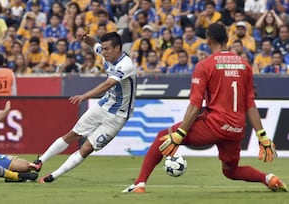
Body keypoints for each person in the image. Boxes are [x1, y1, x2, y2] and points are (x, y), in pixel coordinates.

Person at [122, 23, 288, 193]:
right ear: (227, 39)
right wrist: (262, 135)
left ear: (208, 40)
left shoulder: (205, 65)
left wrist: (180, 133)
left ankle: (139, 184)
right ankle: (269, 178)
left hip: (214, 125)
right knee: (230, 171)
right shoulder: (245, 65)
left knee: (163, 136)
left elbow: (195, 104)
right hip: (236, 129)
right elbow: (250, 104)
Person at [33, 32, 137, 183]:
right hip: (104, 104)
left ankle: (52, 176)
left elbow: (108, 84)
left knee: (87, 148)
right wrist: (84, 38)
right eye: (103, 48)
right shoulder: (104, 52)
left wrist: (85, 96)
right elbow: (94, 44)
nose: (104, 52)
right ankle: (40, 161)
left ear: (117, 48)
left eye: (107, 49)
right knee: (73, 134)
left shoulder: (126, 65)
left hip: (118, 115)